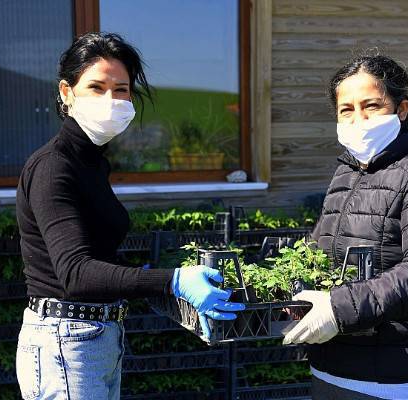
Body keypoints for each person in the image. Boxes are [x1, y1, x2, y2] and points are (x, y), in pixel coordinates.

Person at [14, 32, 244, 400]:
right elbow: (76, 273)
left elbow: (102, 258)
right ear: (66, 92)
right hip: (65, 342)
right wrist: (172, 281)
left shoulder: (91, 163)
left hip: (95, 337)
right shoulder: (53, 167)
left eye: (121, 90)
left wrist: (168, 292)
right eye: (96, 87)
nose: (111, 100)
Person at [283, 52, 408, 400]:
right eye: (346, 110)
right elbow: (318, 251)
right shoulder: (346, 173)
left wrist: (338, 309)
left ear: (402, 110)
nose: (358, 119)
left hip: (393, 380)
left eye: (372, 106)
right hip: (330, 367)